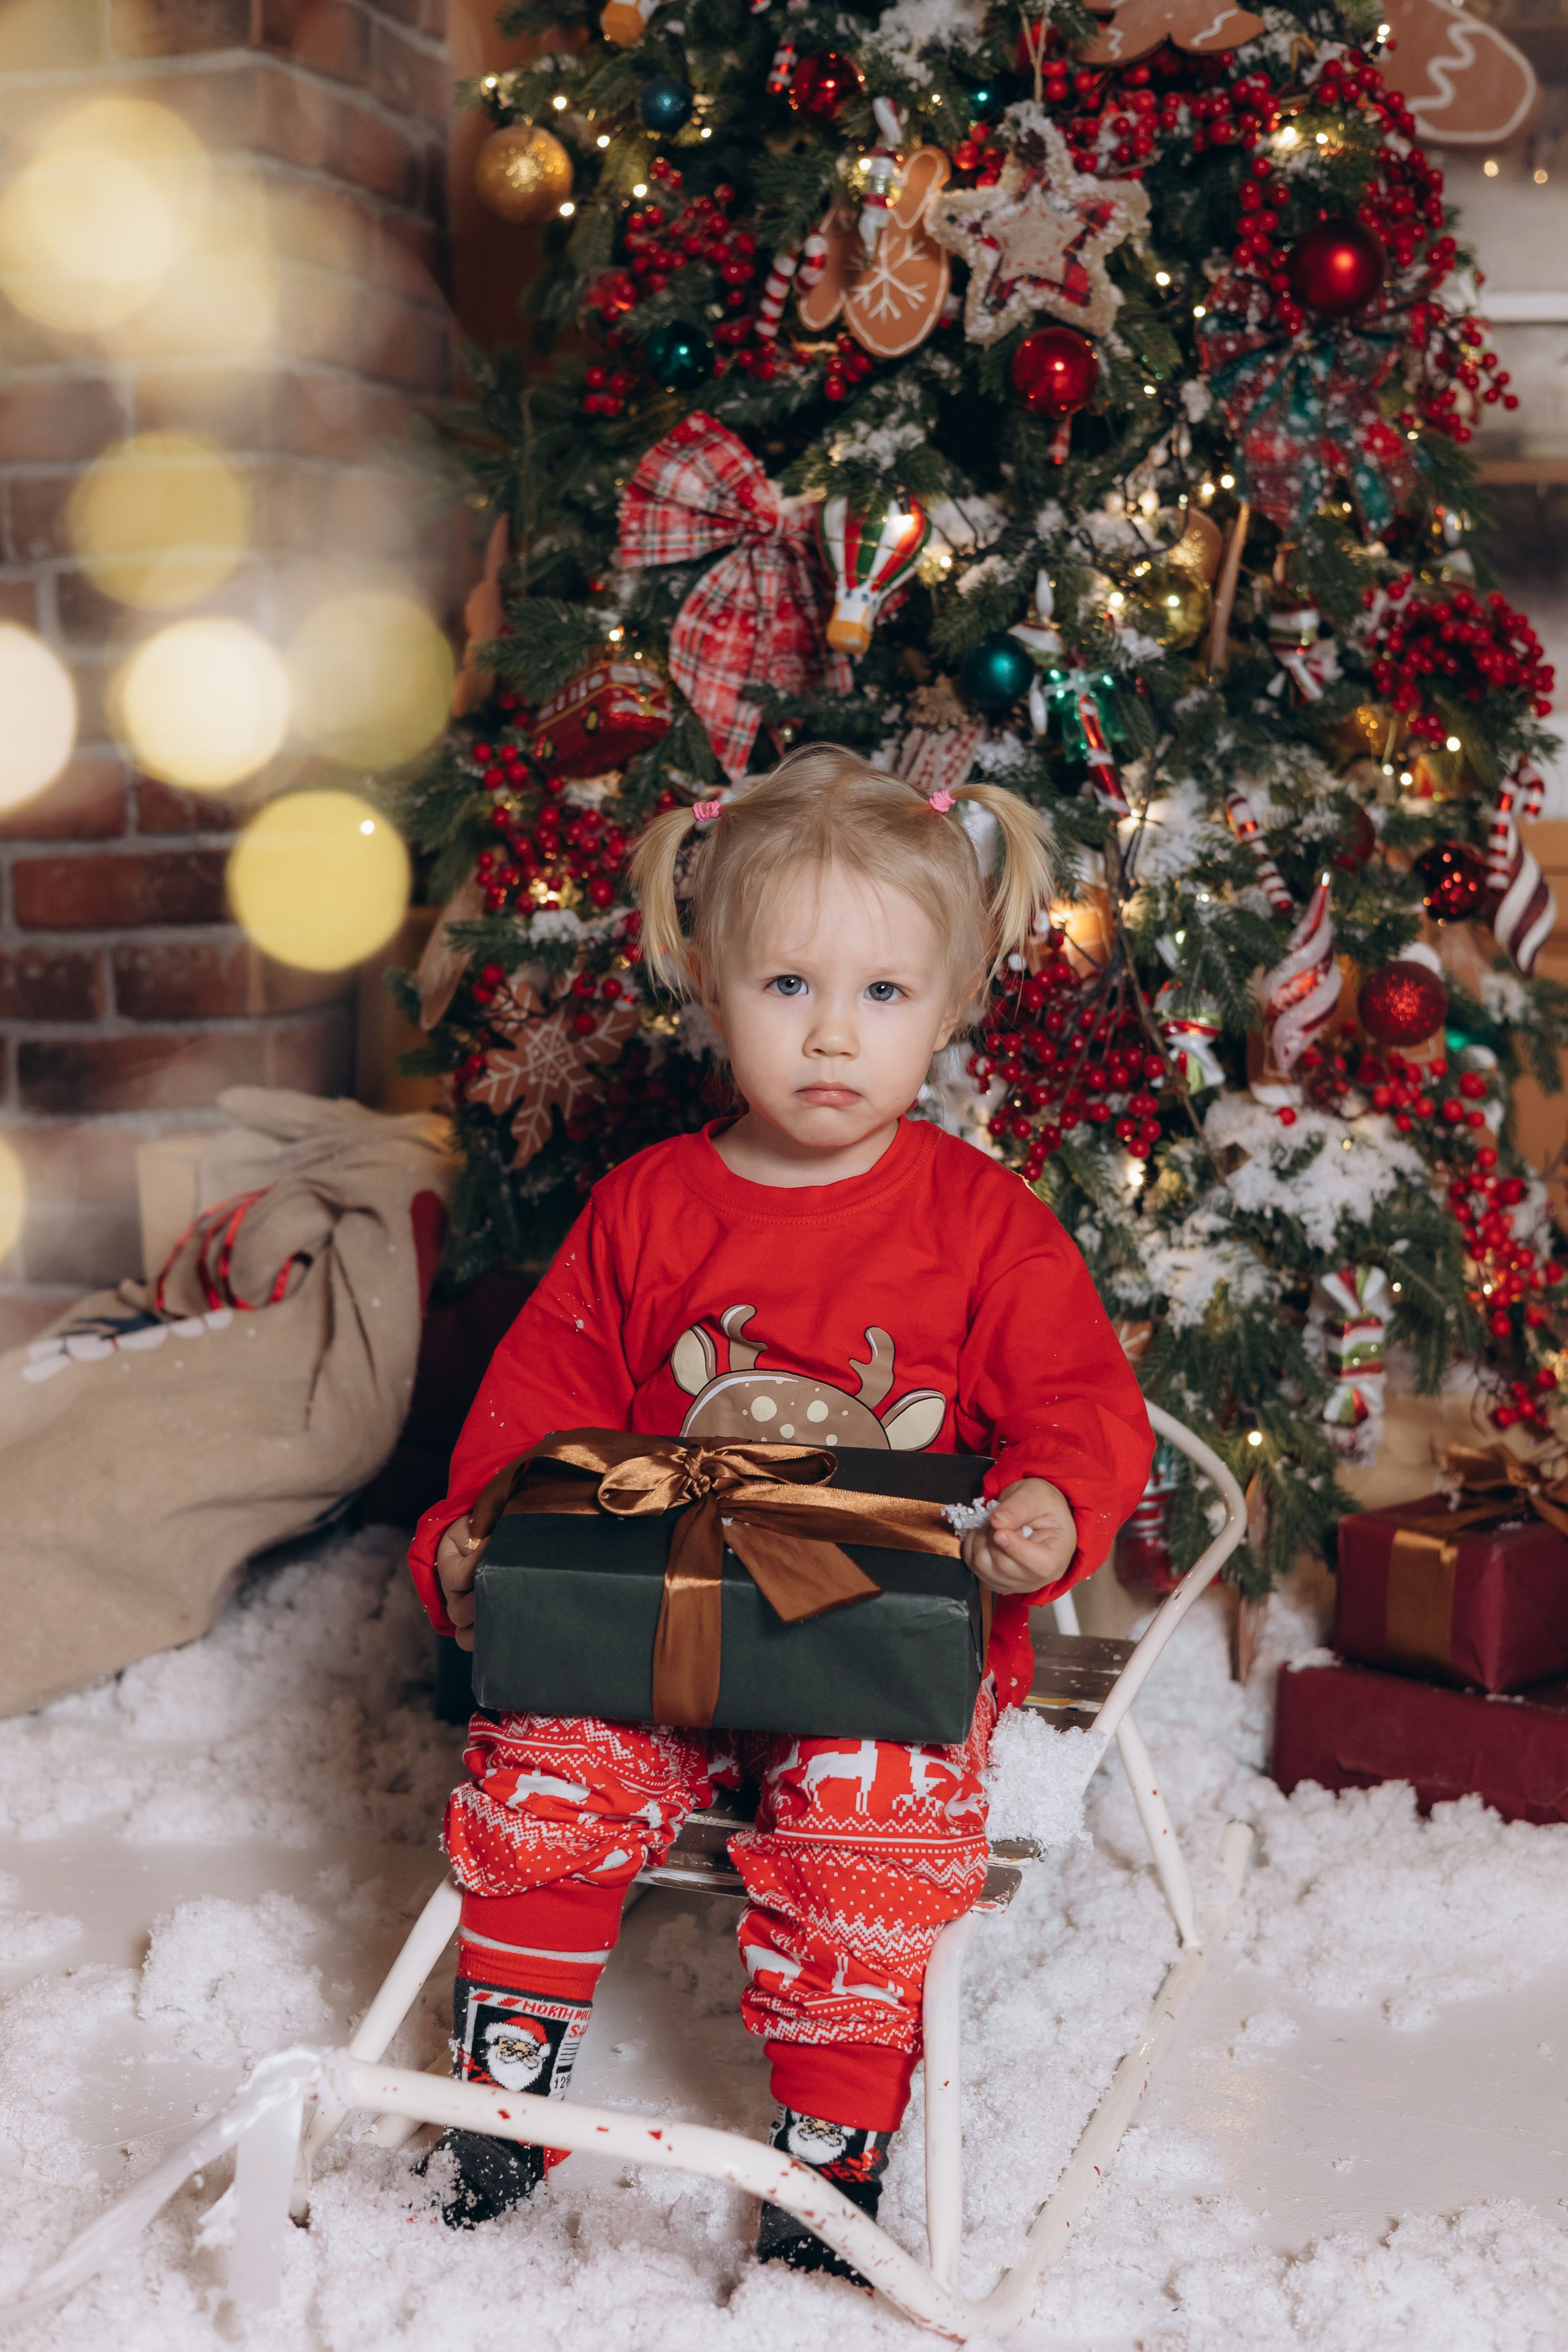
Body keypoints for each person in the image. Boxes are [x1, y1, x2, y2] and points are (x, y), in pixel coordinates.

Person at [406, 745, 1153, 2269]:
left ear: (948, 1010)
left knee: (870, 1819)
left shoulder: (978, 1224)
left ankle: (830, 2145)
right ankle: (508, 2088)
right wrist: (482, 1543)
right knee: (545, 1761)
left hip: (870, 1644)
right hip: (660, 1628)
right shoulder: (649, 1210)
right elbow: (534, 1413)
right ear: (708, 982)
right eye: (787, 986)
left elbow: (1083, 1405)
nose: (831, 1033)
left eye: (883, 996)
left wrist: (1049, 1509)